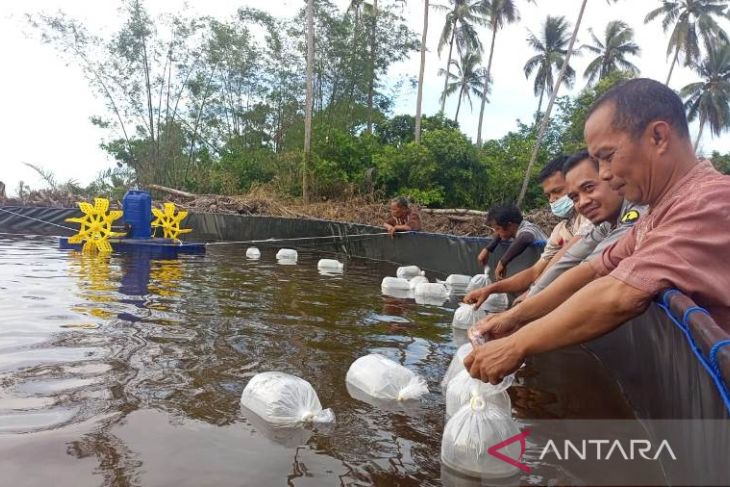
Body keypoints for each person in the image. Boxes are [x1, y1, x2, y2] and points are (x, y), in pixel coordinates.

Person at [465, 78, 730, 385]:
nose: (604, 173)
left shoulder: (709, 203)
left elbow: (619, 294)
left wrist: (517, 343)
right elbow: (591, 271)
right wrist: (514, 318)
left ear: (658, 136)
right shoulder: (657, 215)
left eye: (607, 156)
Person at [466, 154, 592, 307]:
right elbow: (535, 272)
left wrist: (530, 293)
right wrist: (490, 289)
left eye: (557, 191)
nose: (552, 200)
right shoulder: (561, 229)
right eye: (548, 195)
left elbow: (563, 258)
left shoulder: (593, 220)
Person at [525, 149, 646, 297]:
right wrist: (529, 298)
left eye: (589, 188)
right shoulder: (604, 224)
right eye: (574, 197)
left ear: (609, 176)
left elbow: (590, 269)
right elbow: (568, 260)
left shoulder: (639, 212)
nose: (582, 202)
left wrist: (519, 313)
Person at [477, 204, 547, 280]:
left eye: (497, 229)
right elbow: (500, 234)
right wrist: (488, 249)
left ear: (510, 225)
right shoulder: (512, 230)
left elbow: (525, 238)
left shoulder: (528, 228)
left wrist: (502, 262)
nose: (496, 232)